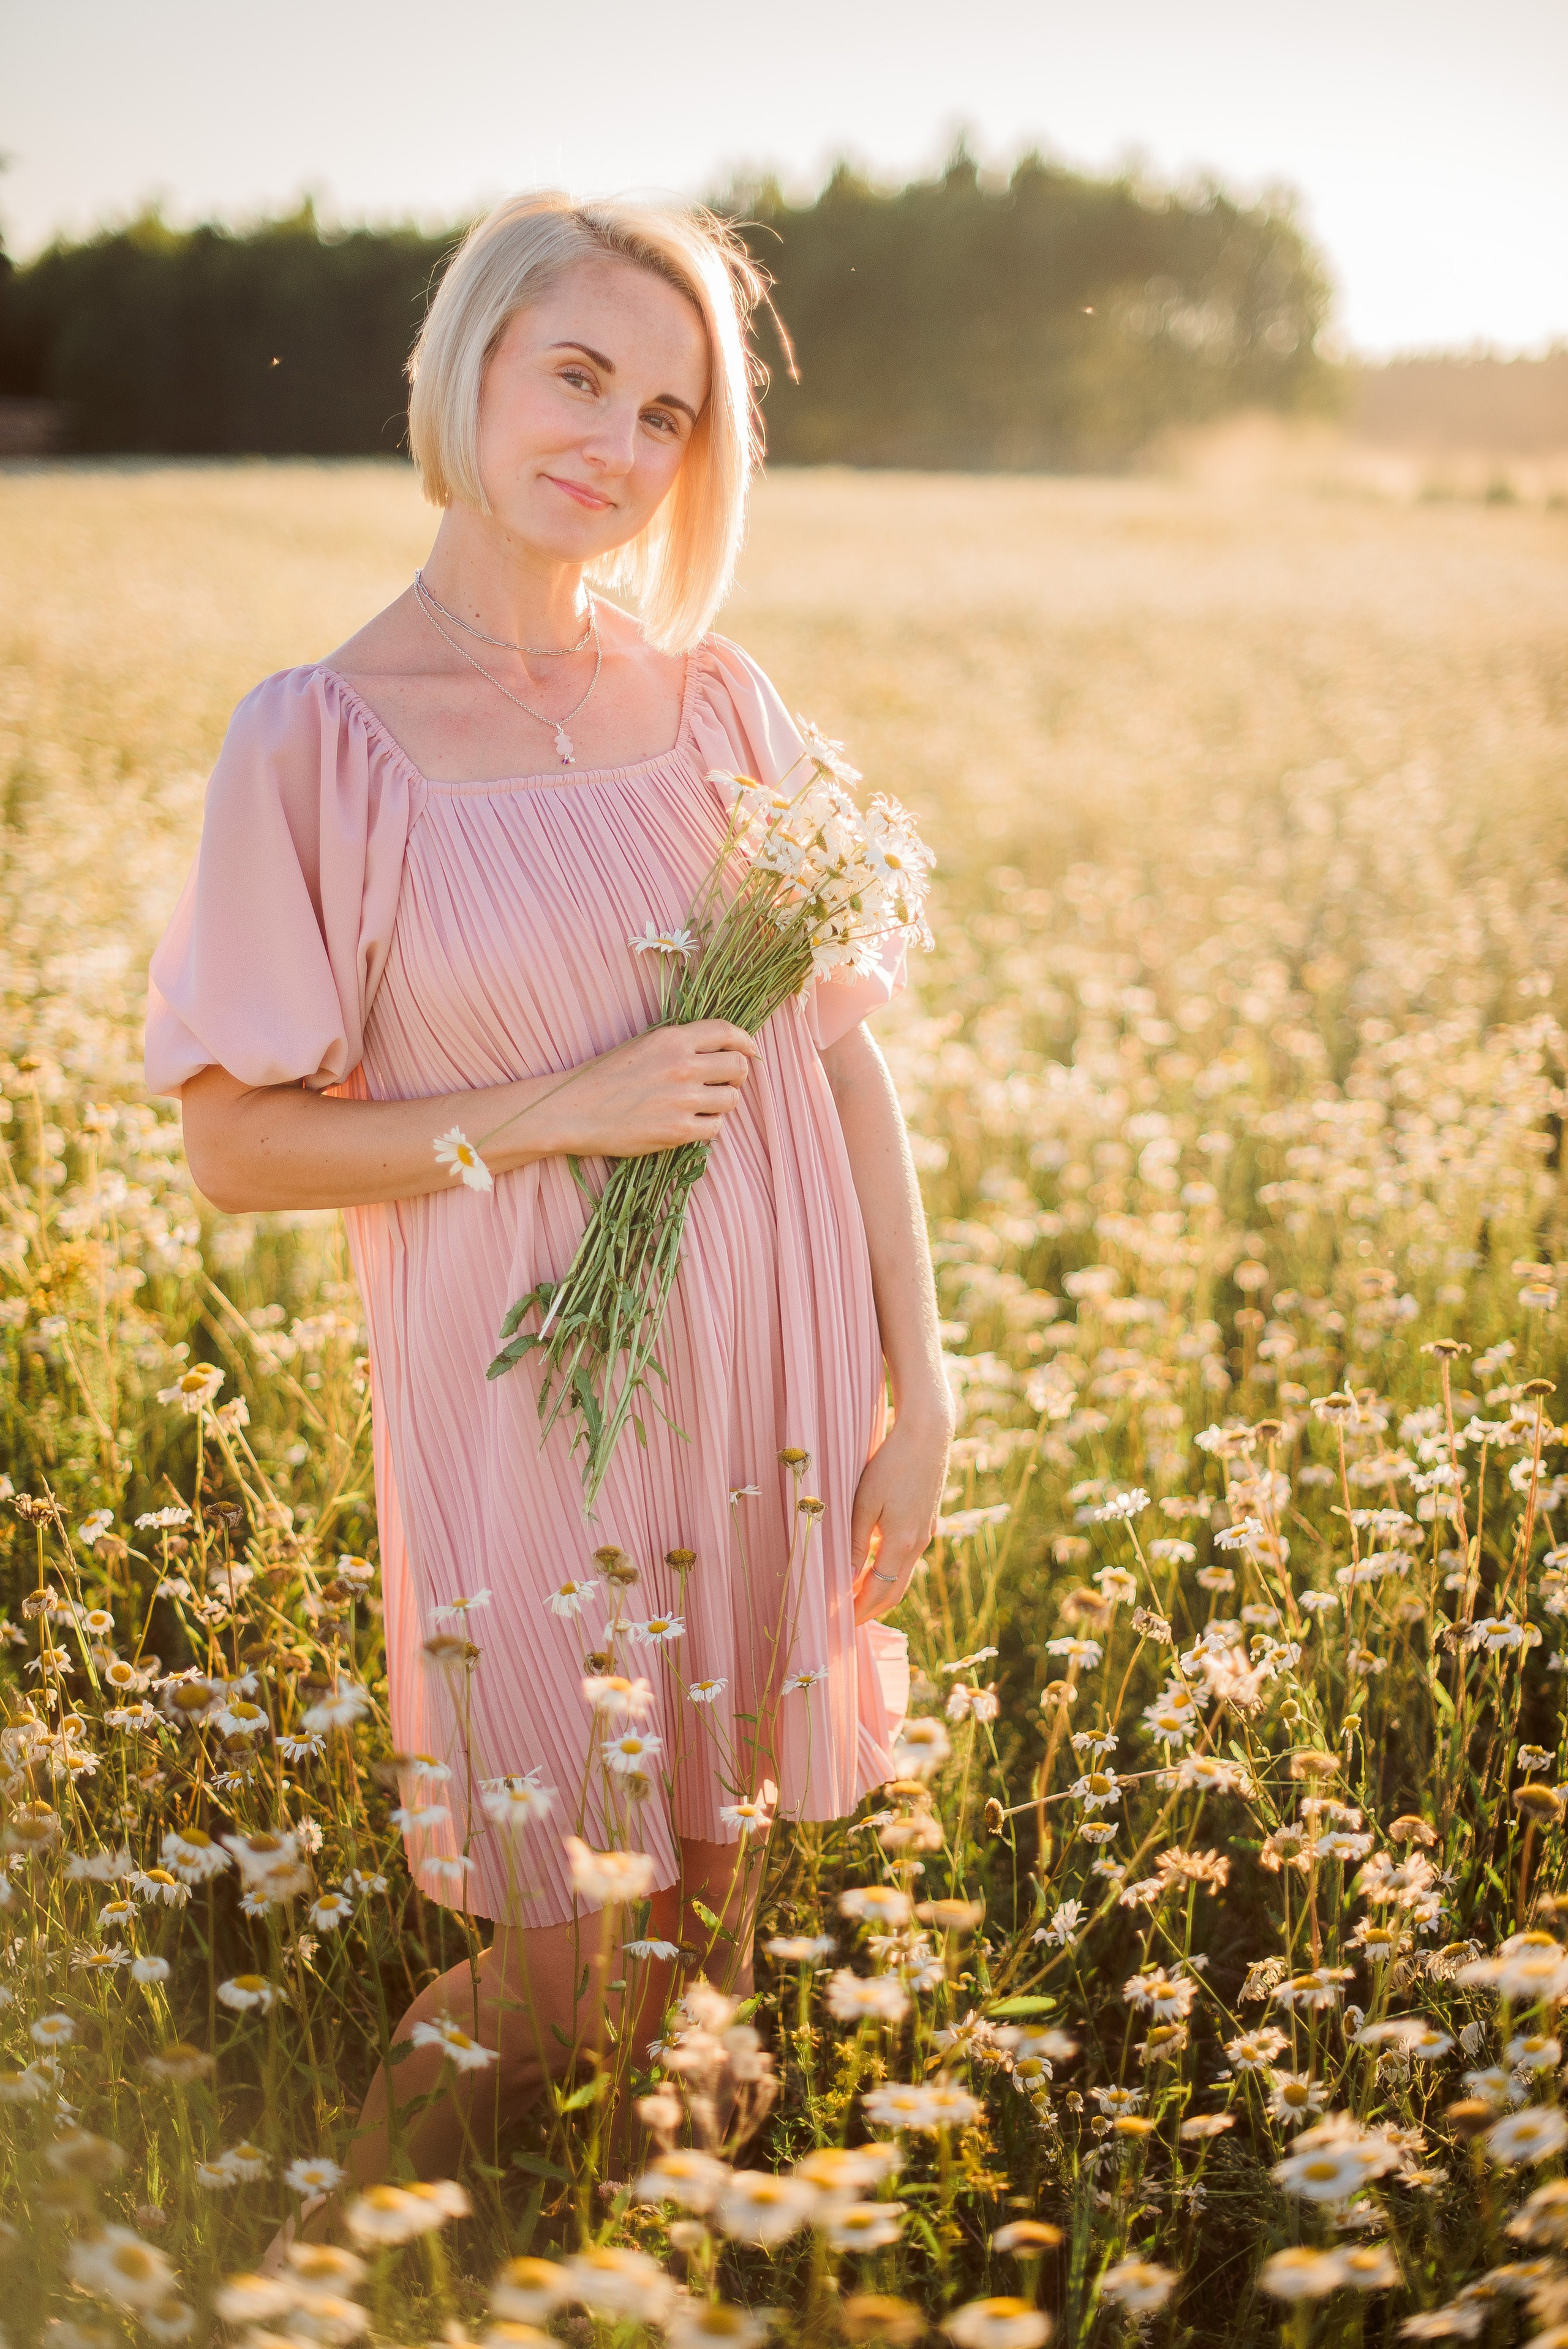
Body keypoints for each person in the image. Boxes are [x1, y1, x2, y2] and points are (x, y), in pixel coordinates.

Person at [144, 190, 952, 2197]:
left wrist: (916, 1389)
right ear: (472, 369)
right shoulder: (319, 743)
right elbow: (238, 1144)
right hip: (530, 1405)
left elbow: (836, 1056)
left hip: (773, 1377)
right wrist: (554, 1106)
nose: (615, 442)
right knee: (574, 1950)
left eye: (669, 413)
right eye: (577, 375)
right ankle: (345, 2255)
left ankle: (653, 2257)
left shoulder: (720, 703)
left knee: (710, 1944)